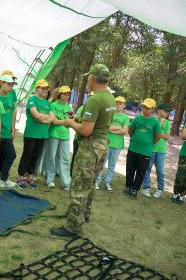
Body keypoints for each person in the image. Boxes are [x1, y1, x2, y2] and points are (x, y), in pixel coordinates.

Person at [50, 64, 116, 238]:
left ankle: (73, 226)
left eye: (88, 78)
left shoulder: (95, 100)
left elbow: (86, 131)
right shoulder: (109, 98)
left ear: (93, 79)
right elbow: (99, 122)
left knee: (80, 185)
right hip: (102, 145)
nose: (87, 81)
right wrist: (78, 119)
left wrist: (71, 123)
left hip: (90, 147)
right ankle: (83, 214)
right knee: (90, 183)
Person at [16, 79, 55, 190]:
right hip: (31, 133)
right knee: (27, 155)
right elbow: (35, 115)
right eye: (42, 88)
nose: (45, 90)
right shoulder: (32, 100)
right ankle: (20, 177)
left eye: (46, 88)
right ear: (37, 88)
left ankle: (30, 178)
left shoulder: (47, 103)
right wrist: (44, 117)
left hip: (43, 134)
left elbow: (52, 118)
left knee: (36, 157)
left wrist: (42, 118)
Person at [125, 98, 161, 198]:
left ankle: (135, 189)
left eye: (148, 108)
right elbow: (130, 130)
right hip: (133, 148)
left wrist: (148, 144)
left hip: (146, 152)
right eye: (144, 107)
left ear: (153, 109)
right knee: (130, 169)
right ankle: (128, 186)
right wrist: (136, 139)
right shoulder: (137, 119)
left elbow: (158, 136)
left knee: (141, 171)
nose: (145, 109)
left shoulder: (155, 122)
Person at [95, 96, 129, 192]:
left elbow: (125, 131)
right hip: (106, 143)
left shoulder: (125, 118)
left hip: (117, 145)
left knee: (112, 165)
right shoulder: (110, 114)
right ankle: (97, 181)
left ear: (124, 105)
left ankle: (107, 182)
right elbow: (107, 127)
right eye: (116, 103)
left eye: (120, 103)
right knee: (101, 163)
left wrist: (112, 130)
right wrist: (118, 127)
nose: (118, 105)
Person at [45, 86, 73, 190]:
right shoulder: (53, 105)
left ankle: (66, 183)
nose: (66, 96)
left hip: (65, 136)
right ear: (59, 95)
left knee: (65, 159)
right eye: (64, 94)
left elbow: (71, 122)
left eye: (68, 94)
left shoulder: (69, 108)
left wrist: (66, 121)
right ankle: (50, 180)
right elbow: (54, 121)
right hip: (53, 134)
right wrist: (66, 121)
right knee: (51, 157)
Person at [141, 103, 171, 198]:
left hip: (161, 151)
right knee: (147, 169)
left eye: (168, 111)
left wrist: (157, 133)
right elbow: (149, 133)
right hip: (150, 149)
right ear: (159, 110)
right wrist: (159, 131)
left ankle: (160, 189)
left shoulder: (167, 123)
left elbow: (167, 137)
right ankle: (145, 188)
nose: (167, 113)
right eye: (165, 110)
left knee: (160, 171)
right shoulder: (153, 120)